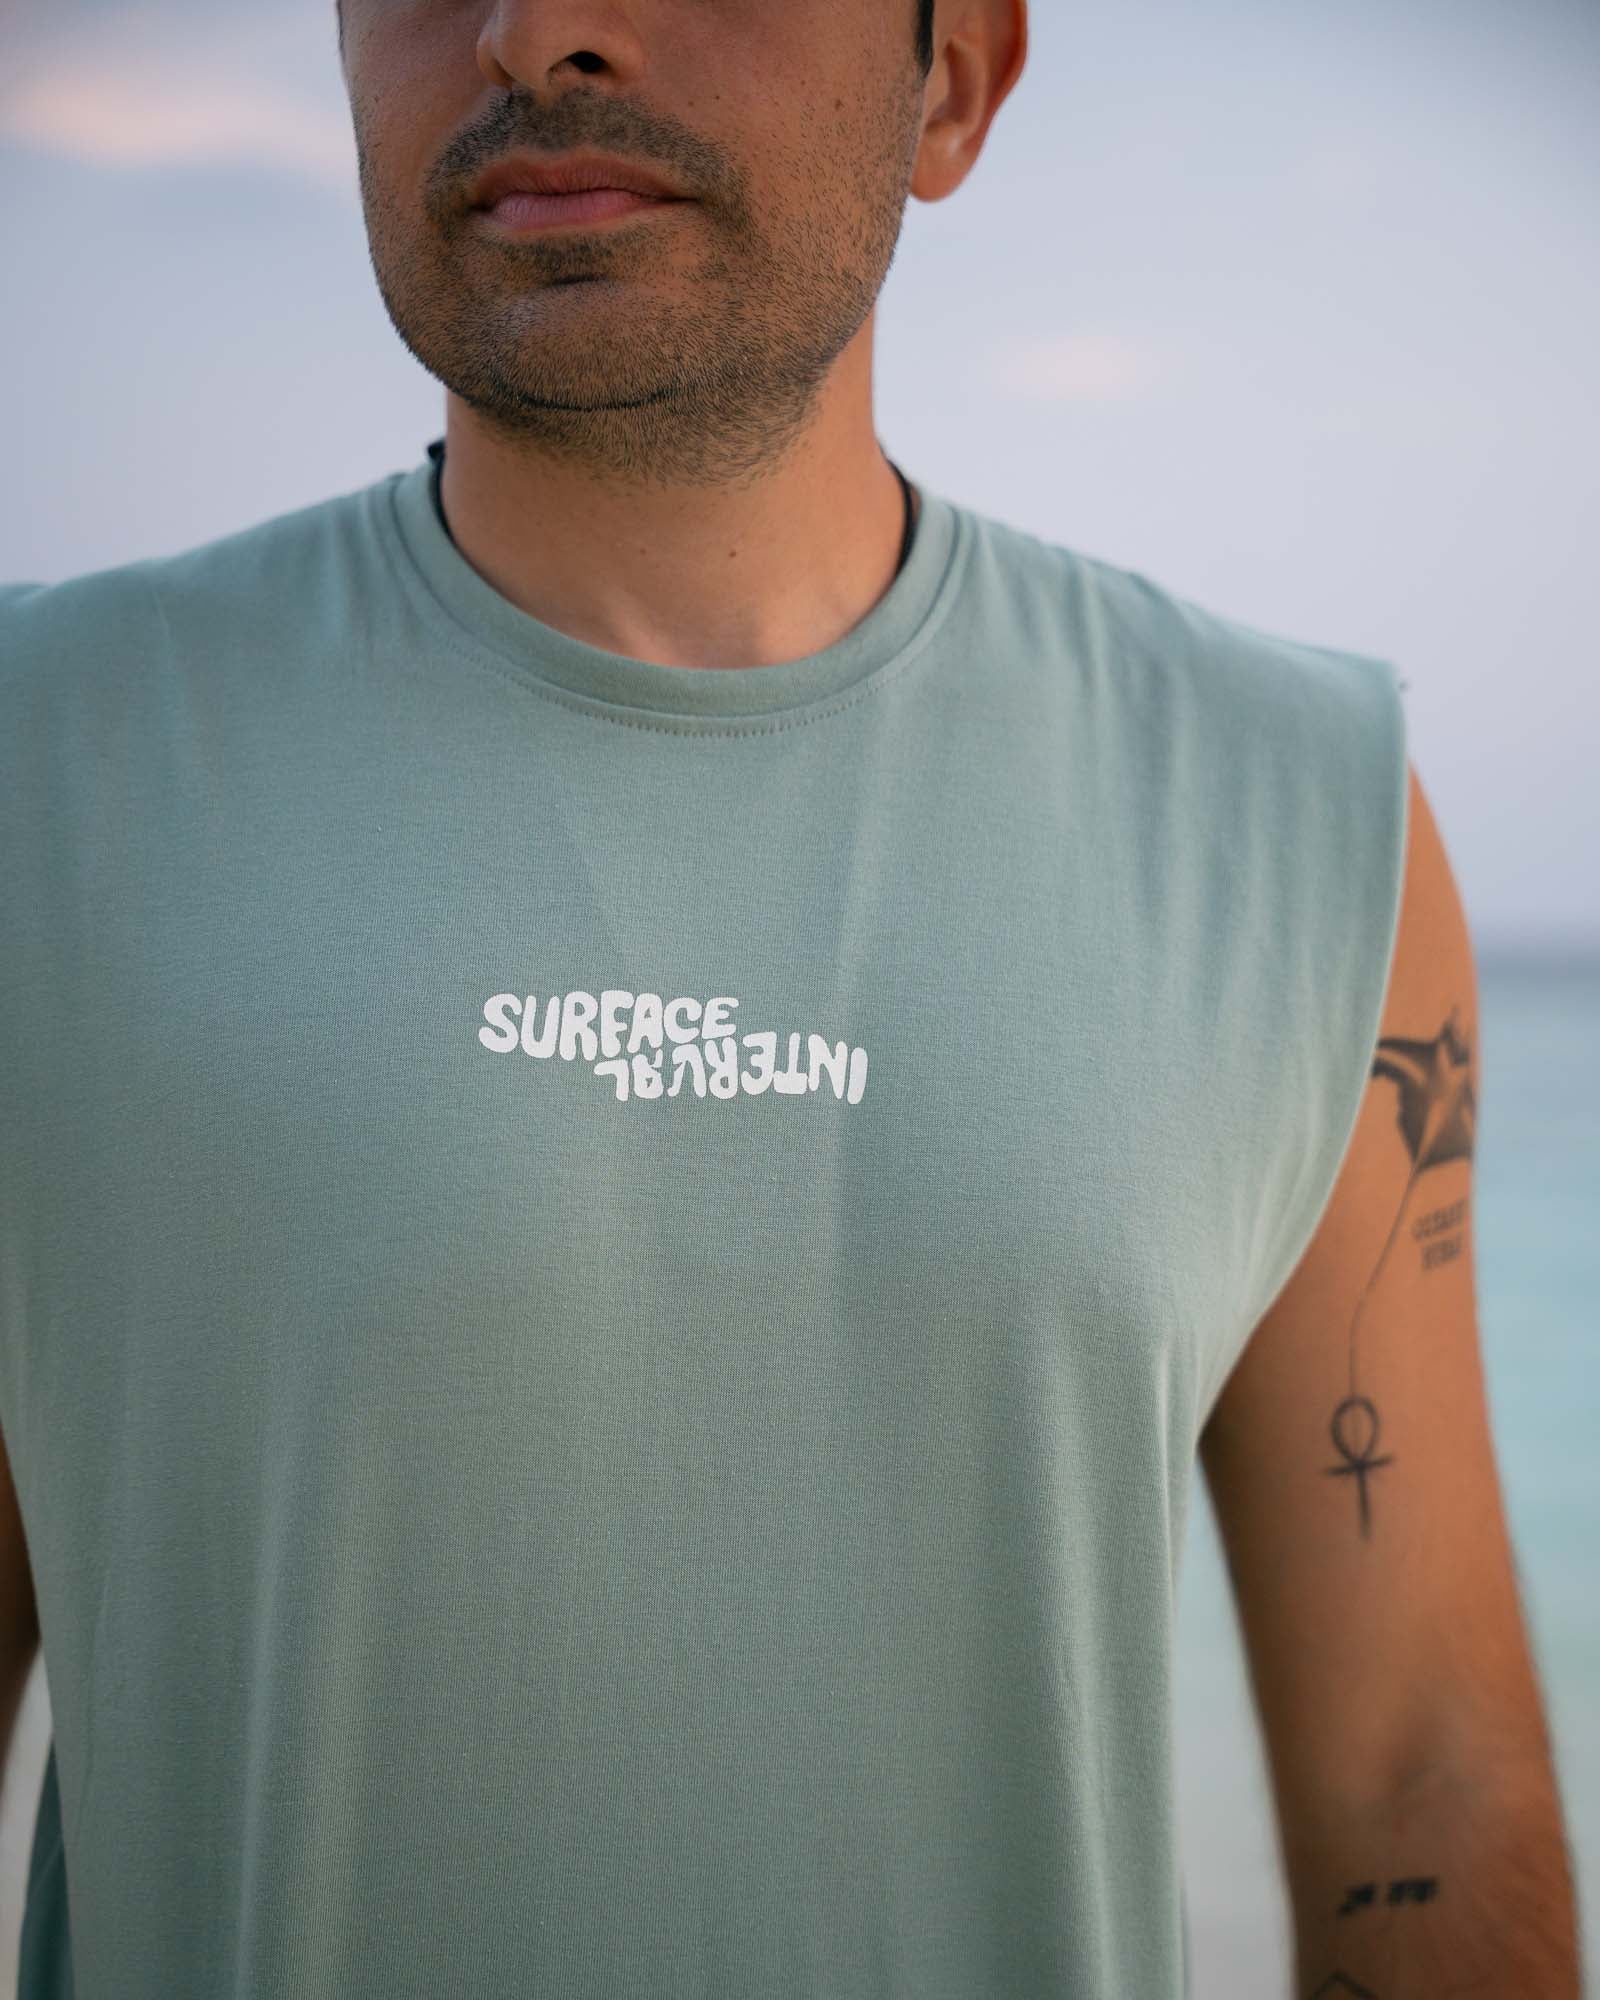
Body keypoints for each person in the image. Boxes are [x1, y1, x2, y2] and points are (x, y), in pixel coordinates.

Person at [0, 1, 1581, 1994]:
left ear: (952, 79)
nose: (538, 28)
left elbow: (1418, 1787)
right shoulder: (42, 771)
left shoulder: (1285, 815)